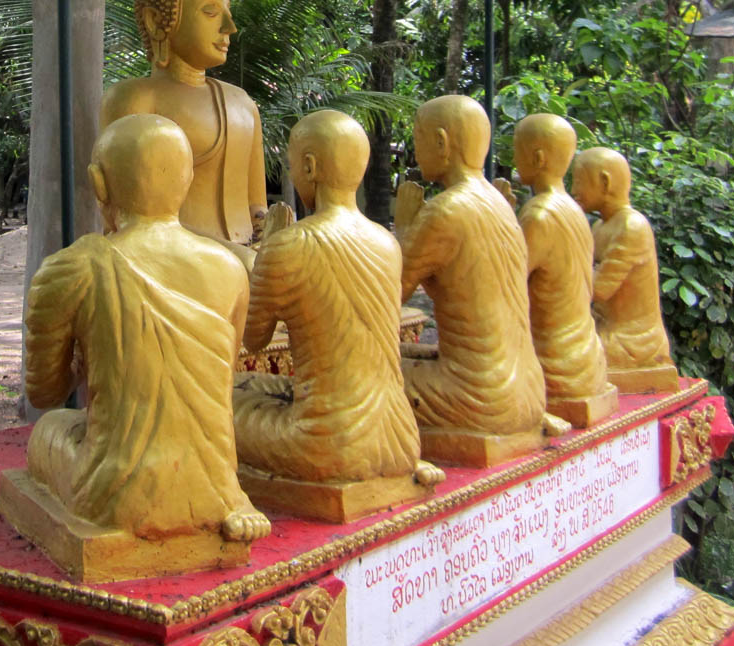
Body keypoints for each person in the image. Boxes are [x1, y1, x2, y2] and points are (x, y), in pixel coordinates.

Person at [12, 114, 269, 556]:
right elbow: (218, 388)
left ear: (99, 184)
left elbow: (45, 393)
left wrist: (84, 358)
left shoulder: (73, 267)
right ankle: (228, 497)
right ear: (187, 181)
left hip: (113, 489)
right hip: (212, 480)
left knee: (51, 429)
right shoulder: (231, 269)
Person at [234, 110, 439, 501]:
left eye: (292, 165)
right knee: (260, 385)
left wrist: (263, 260)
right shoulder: (387, 243)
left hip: (325, 443)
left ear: (309, 167)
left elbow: (254, 339)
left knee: (220, 405)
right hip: (398, 438)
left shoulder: (288, 245)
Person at [100, 0, 265, 261]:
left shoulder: (242, 104)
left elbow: (256, 206)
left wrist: (268, 234)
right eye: (210, 12)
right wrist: (228, 258)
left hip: (248, 261)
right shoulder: (135, 100)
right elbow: (125, 217)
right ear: (156, 21)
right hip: (168, 263)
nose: (229, 28)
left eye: (227, 14)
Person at [396, 96, 550, 464]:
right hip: (530, 389)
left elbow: (389, 293)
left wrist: (403, 228)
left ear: (441, 142)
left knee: (354, 377)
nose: (415, 151)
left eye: (418, 139)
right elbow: (458, 287)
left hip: (480, 397)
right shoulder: (500, 205)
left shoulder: (446, 211)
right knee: (404, 354)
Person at [514, 114, 616, 427]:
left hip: (556, 365)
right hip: (588, 357)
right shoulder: (573, 209)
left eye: (517, 151)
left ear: (538, 158)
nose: (514, 160)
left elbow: (506, 287)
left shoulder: (540, 215)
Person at [571, 147, 679, 394]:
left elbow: (599, 289)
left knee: (567, 357)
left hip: (634, 341)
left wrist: (565, 261)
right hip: (600, 325)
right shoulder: (599, 226)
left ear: (605, 182)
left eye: (579, 181)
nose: (574, 189)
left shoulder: (632, 227)